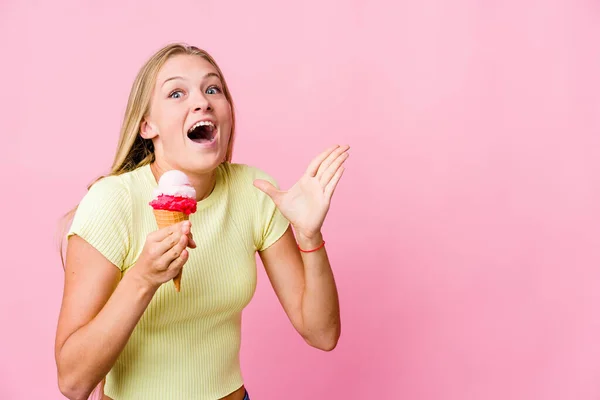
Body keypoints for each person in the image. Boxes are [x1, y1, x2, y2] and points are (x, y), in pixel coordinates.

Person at [54, 43, 349, 400]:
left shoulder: (253, 191)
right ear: (147, 125)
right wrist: (143, 278)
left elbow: (321, 334)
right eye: (177, 93)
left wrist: (309, 235)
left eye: (213, 89)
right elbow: (72, 382)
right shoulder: (111, 202)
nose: (202, 101)